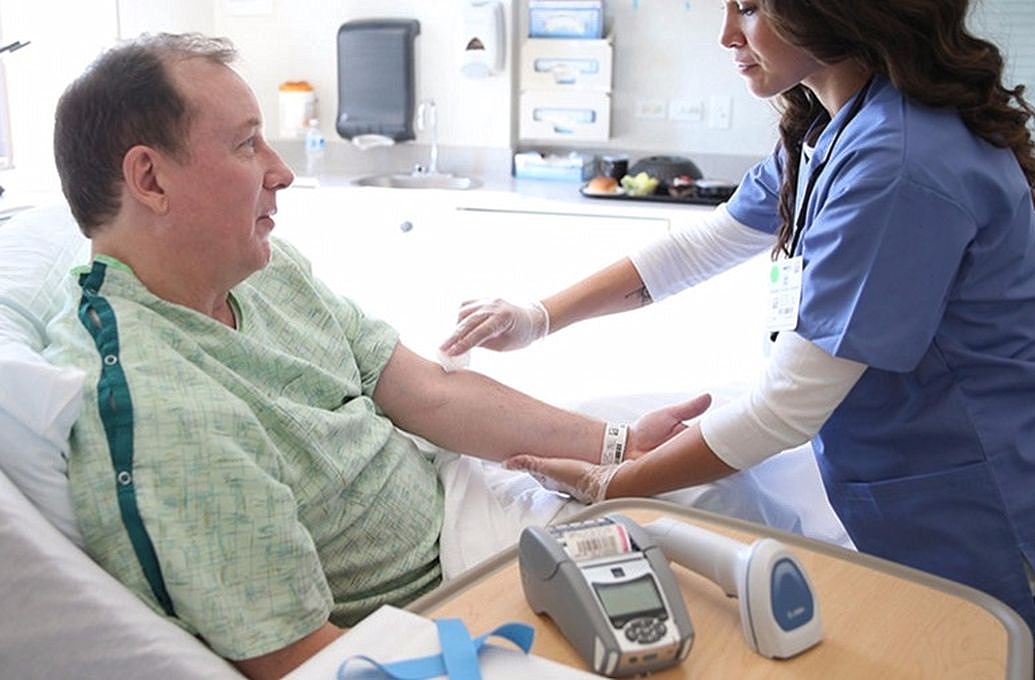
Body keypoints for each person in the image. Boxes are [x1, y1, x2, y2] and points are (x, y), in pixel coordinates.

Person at [43, 33, 707, 678]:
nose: (283, 170)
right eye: (247, 144)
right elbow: (299, 658)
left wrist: (620, 448)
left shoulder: (262, 270)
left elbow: (428, 392)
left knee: (706, 479)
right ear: (150, 178)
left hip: (465, 500)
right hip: (448, 596)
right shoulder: (161, 406)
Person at [441, 0, 1035, 633]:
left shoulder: (898, 164)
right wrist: (539, 315)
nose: (726, 35)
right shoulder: (835, 127)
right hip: (899, 472)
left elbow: (786, 407)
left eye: (749, 9)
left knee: (982, 645)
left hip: (975, 496)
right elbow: (702, 246)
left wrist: (614, 483)